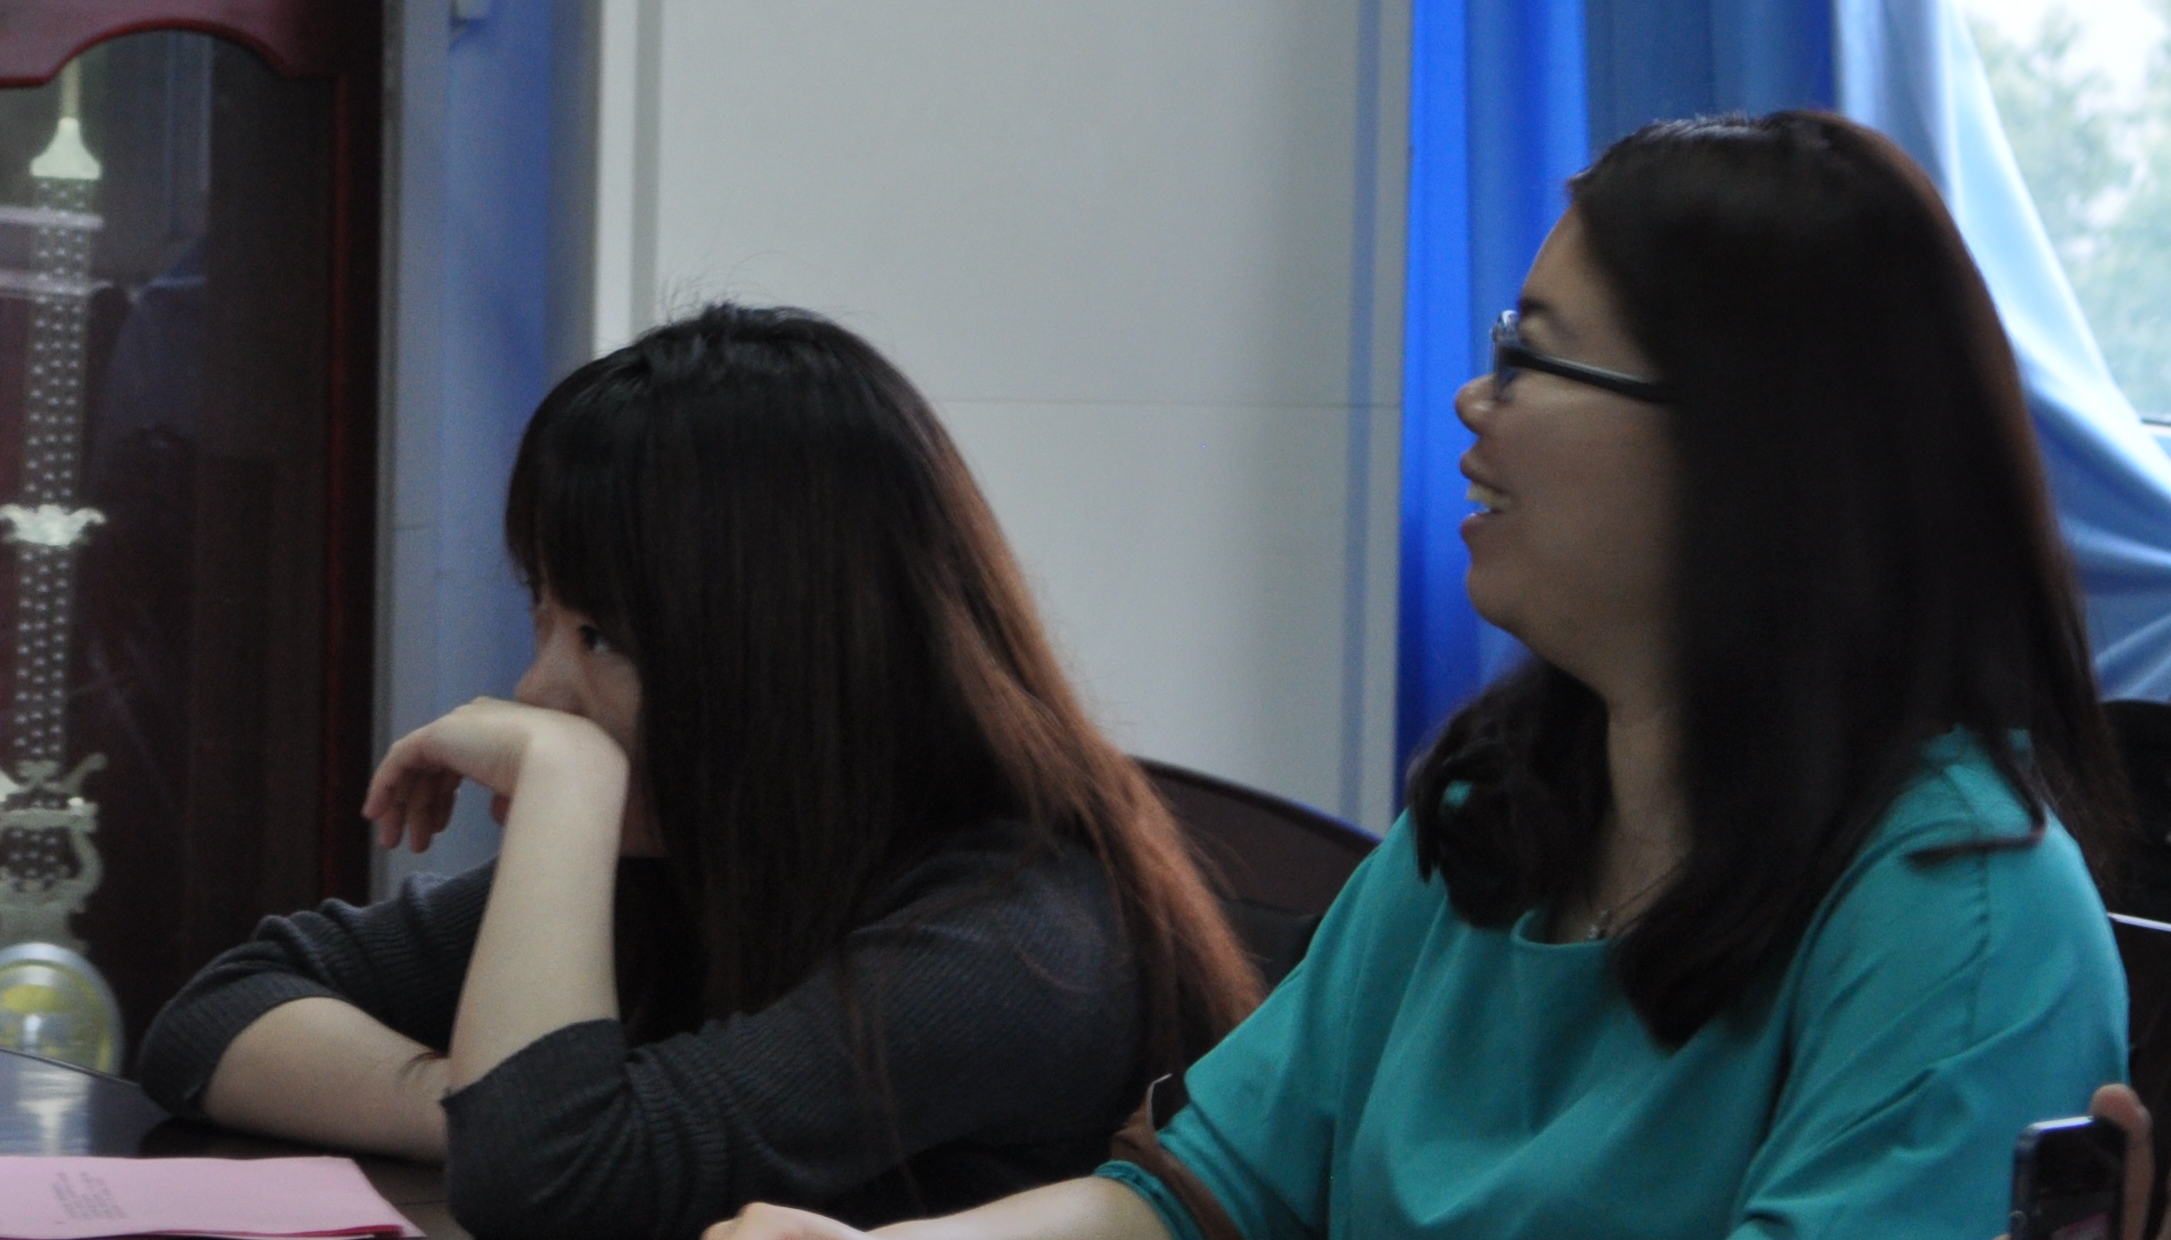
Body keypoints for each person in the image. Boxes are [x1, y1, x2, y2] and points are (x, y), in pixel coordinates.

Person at [715, 110, 2138, 1240]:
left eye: (1529, 358)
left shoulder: (1961, 921)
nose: (1472, 402)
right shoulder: (1502, 813)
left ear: (1740, 448)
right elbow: (1203, 1193)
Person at [133, 306, 1262, 1240]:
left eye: (601, 638)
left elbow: (543, 1187)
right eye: (543, 614)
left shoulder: (1011, 944)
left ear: (780, 658)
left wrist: (565, 791)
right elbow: (217, 1013)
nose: (534, 692)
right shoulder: (710, 851)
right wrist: (475, 1101)